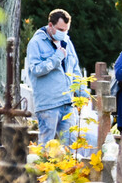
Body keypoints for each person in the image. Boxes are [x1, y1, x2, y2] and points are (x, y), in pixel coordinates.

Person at [26, 9, 87, 145]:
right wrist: (56, 58)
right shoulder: (36, 43)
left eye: (66, 30)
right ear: (50, 25)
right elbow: (35, 69)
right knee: (47, 148)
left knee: (70, 147)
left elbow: (75, 69)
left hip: (67, 102)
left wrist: (83, 92)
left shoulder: (67, 41)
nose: (63, 33)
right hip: (48, 105)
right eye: (60, 29)